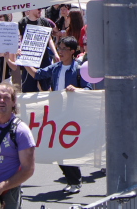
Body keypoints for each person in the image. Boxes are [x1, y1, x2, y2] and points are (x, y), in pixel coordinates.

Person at [25, 36, 91, 193]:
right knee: (56, 148)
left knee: (66, 148)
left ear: (72, 51)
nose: (60, 52)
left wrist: (76, 90)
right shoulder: (55, 68)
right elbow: (37, 74)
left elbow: (88, 89)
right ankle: (72, 179)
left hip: (72, 115)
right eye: (59, 48)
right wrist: (25, 62)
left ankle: (75, 181)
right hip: (56, 113)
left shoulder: (78, 69)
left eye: (64, 49)